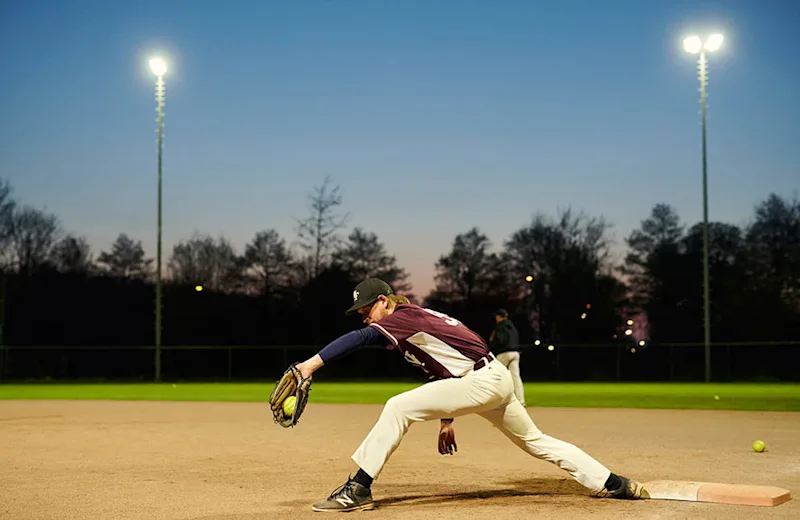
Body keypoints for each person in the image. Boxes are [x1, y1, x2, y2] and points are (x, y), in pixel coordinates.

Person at [294, 278, 647, 512]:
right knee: (536, 441)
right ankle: (613, 483)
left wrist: (308, 366)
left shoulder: (400, 317)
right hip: (491, 378)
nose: (364, 318)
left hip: (482, 381)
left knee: (397, 406)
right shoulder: (414, 318)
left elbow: (358, 340)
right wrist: (448, 418)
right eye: (360, 313)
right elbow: (446, 365)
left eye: (367, 309)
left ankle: (358, 488)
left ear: (384, 301)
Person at [489, 308, 525, 406]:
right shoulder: (512, 326)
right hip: (515, 353)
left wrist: (492, 342)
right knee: (516, 377)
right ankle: (521, 401)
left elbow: (500, 340)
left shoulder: (500, 326)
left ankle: (492, 400)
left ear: (498, 317)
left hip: (504, 352)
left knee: (494, 375)